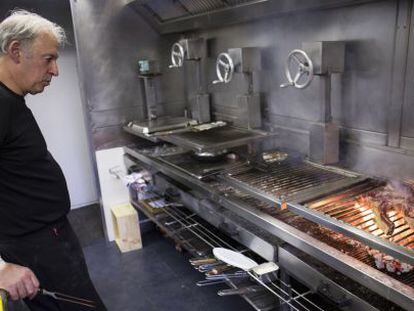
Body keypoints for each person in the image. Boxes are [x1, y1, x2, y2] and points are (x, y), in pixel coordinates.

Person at [0, 9, 106, 311]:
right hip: (34, 244)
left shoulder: (11, 100)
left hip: (47, 237)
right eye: (49, 59)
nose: (55, 70)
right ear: (16, 51)